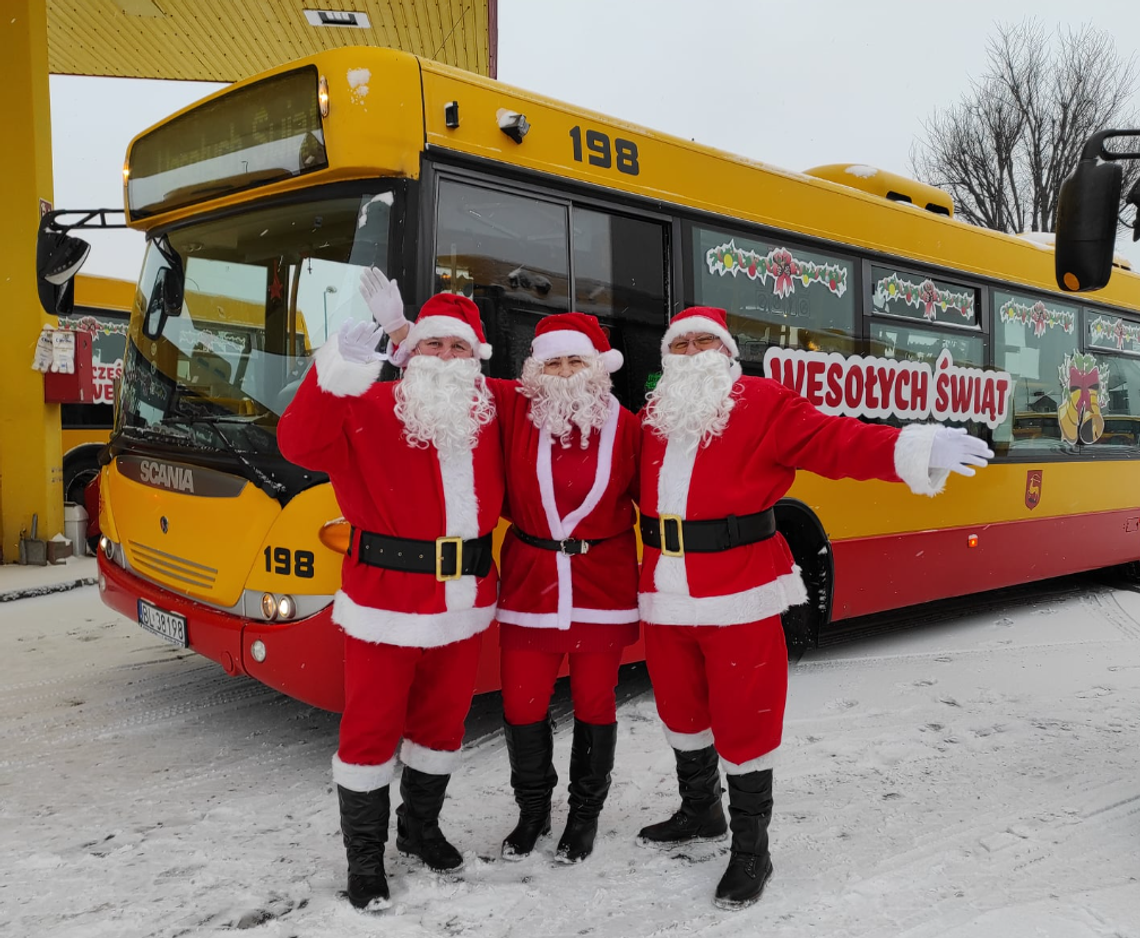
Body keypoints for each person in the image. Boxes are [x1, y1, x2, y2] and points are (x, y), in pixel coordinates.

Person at [634, 306, 992, 911]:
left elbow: (836, 441)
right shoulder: (653, 416)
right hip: (665, 593)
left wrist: (915, 445)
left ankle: (752, 849)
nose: (692, 352)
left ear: (725, 352)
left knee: (746, 719)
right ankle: (701, 814)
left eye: (705, 342)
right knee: (680, 709)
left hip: (741, 590)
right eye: (681, 343)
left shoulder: (764, 402)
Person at [277, 269, 504, 913]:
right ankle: (365, 858)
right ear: (409, 356)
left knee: (442, 726)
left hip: (464, 602)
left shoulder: (492, 412)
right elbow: (297, 442)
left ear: (478, 359)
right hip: (385, 605)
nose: (446, 358)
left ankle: (421, 828)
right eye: (433, 346)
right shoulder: (367, 406)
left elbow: (566, 387)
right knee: (370, 733)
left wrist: (409, 329)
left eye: (459, 347)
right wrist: (337, 369)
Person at [483, 313, 641, 864]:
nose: (566, 371)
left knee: (595, 703)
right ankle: (532, 812)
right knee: (523, 704)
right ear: (535, 368)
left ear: (598, 367)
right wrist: (406, 339)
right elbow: (452, 372)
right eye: (553, 361)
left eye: (576, 360)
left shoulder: (630, 427)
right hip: (532, 584)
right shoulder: (514, 411)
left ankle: (583, 816)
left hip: (602, 584)